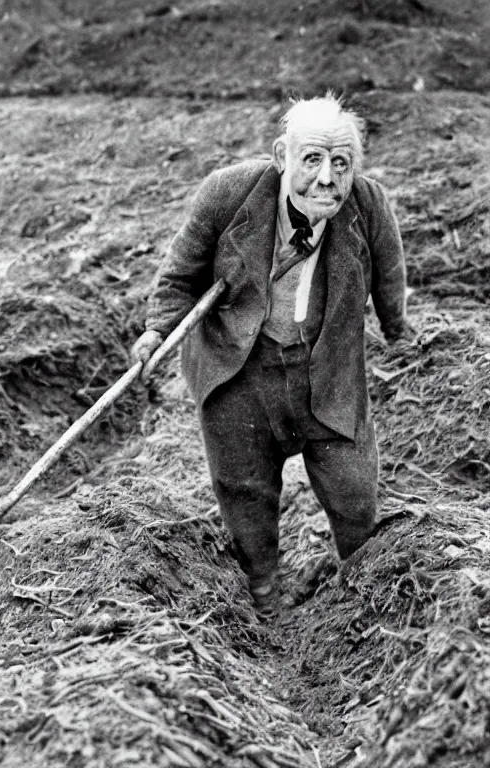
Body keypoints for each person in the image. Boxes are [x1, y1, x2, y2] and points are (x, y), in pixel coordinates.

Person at [131, 94, 411, 614]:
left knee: (354, 491)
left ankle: (361, 592)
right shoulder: (228, 194)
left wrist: (397, 328)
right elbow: (179, 276)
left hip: (325, 370)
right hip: (241, 369)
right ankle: (264, 597)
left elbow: (390, 274)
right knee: (245, 492)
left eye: (341, 163)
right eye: (312, 160)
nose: (327, 178)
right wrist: (155, 331)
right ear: (283, 155)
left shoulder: (367, 206)